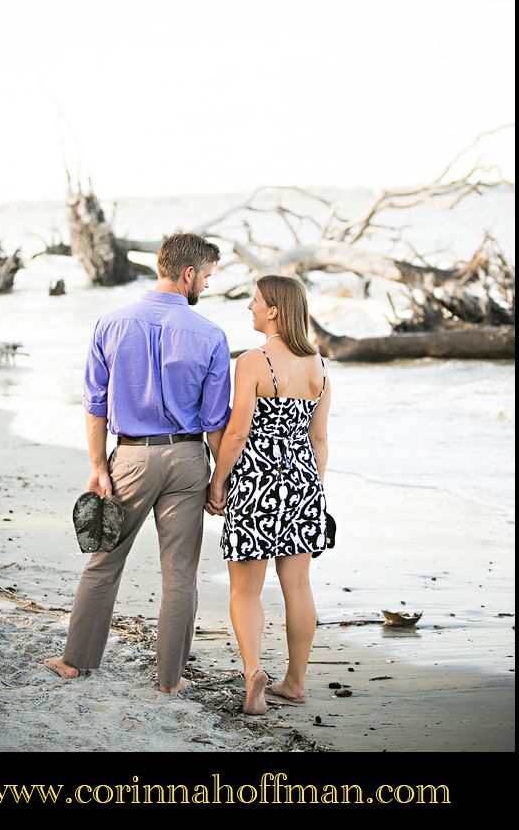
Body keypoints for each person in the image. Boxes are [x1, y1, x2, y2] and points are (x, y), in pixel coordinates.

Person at [45, 231, 231, 694]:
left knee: (105, 562)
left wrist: (97, 465)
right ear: (188, 273)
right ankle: (170, 680)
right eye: (206, 276)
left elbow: (95, 402)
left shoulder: (110, 323)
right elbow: (215, 422)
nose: (206, 286)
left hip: (129, 456)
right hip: (188, 457)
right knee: (181, 573)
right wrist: (219, 479)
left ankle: (76, 662)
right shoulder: (209, 334)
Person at [205, 274, 331, 715]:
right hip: (304, 484)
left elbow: (237, 432)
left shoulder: (254, 361)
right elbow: (319, 439)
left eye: (255, 301)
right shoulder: (318, 364)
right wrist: (314, 491)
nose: (249, 307)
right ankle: (295, 681)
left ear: (274, 309)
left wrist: (218, 483)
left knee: (245, 590)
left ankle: (255, 671)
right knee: (297, 585)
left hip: (257, 483)